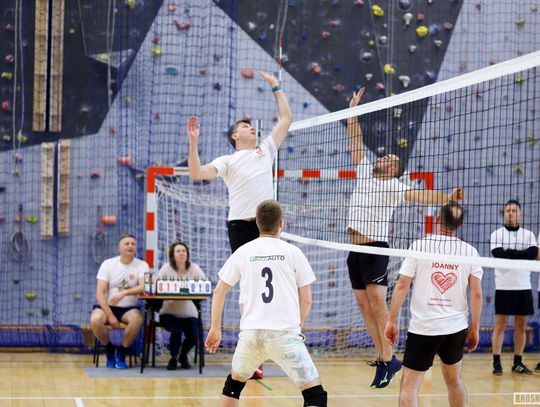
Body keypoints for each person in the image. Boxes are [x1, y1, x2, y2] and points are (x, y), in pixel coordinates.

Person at [346, 88, 464, 388]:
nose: (384, 157)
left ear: (394, 170)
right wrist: (353, 111)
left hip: (375, 248)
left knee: (376, 301)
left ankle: (388, 357)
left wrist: (447, 197)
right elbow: (355, 140)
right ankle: (385, 358)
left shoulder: (395, 186)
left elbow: (421, 195)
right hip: (353, 249)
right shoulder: (364, 170)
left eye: (390, 159)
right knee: (363, 305)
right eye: (385, 156)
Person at [188, 70, 292, 378]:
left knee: (269, 287)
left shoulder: (266, 150)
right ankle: (252, 353)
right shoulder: (228, 161)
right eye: (246, 126)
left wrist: (276, 86)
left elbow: (286, 118)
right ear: (236, 136)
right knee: (248, 288)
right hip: (241, 227)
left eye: (251, 126)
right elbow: (196, 173)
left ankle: (271, 344)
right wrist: (193, 143)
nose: (252, 128)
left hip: (268, 227)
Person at [205, 200, 327, 407]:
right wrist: (297, 325)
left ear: (257, 224)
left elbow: (219, 291)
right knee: (315, 396)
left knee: (233, 387)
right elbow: (306, 298)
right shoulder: (293, 252)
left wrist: (215, 328)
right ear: (282, 223)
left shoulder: (243, 251)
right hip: (284, 334)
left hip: (251, 334)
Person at [385, 202, 483, 407]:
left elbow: (402, 285)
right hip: (455, 328)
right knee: (455, 381)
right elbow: (476, 293)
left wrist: (391, 320)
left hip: (424, 328)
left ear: (438, 218)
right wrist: (474, 328)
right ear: (461, 224)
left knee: (409, 388)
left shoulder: (419, 246)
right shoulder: (470, 252)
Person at [490, 199, 537, 375]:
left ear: (520, 214)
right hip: (503, 287)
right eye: (508, 210)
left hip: (523, 286)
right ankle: (496, 363)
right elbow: (498, 254)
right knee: (500, 326)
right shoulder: (496, 234)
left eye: (514, 210)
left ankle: (518, 362)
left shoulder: (529, 234)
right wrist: (521, 255)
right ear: (504, 213)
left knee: (521, 326)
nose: (510, 213)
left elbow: (533, 254)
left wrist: (510, 254)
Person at [89, 234, 147, 369]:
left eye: (133, 244)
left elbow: (143, 286)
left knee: (137, 319)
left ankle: (122, 351)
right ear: (119, 248)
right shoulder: (108, 264)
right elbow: (99, 293)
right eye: (127, 243)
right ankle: (109, 349)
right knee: (95, 319)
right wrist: (110, 316)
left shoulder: (141, 265)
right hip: (107, 307)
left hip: (128, 309)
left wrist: (123, 293)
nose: (130, 246)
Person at [158, 242, 205, 370]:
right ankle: (173, 358)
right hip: (169, 312)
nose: (181, 253)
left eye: (183, 251)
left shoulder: (194, 268)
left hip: (189, 313)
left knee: (194, 334)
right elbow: (157, 286)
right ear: (172, 255)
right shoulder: (166, 268)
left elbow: (203, 285)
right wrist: (167, 295)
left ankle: (183, 355)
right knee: (176, 331)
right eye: (178, 251)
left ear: (187, 254)